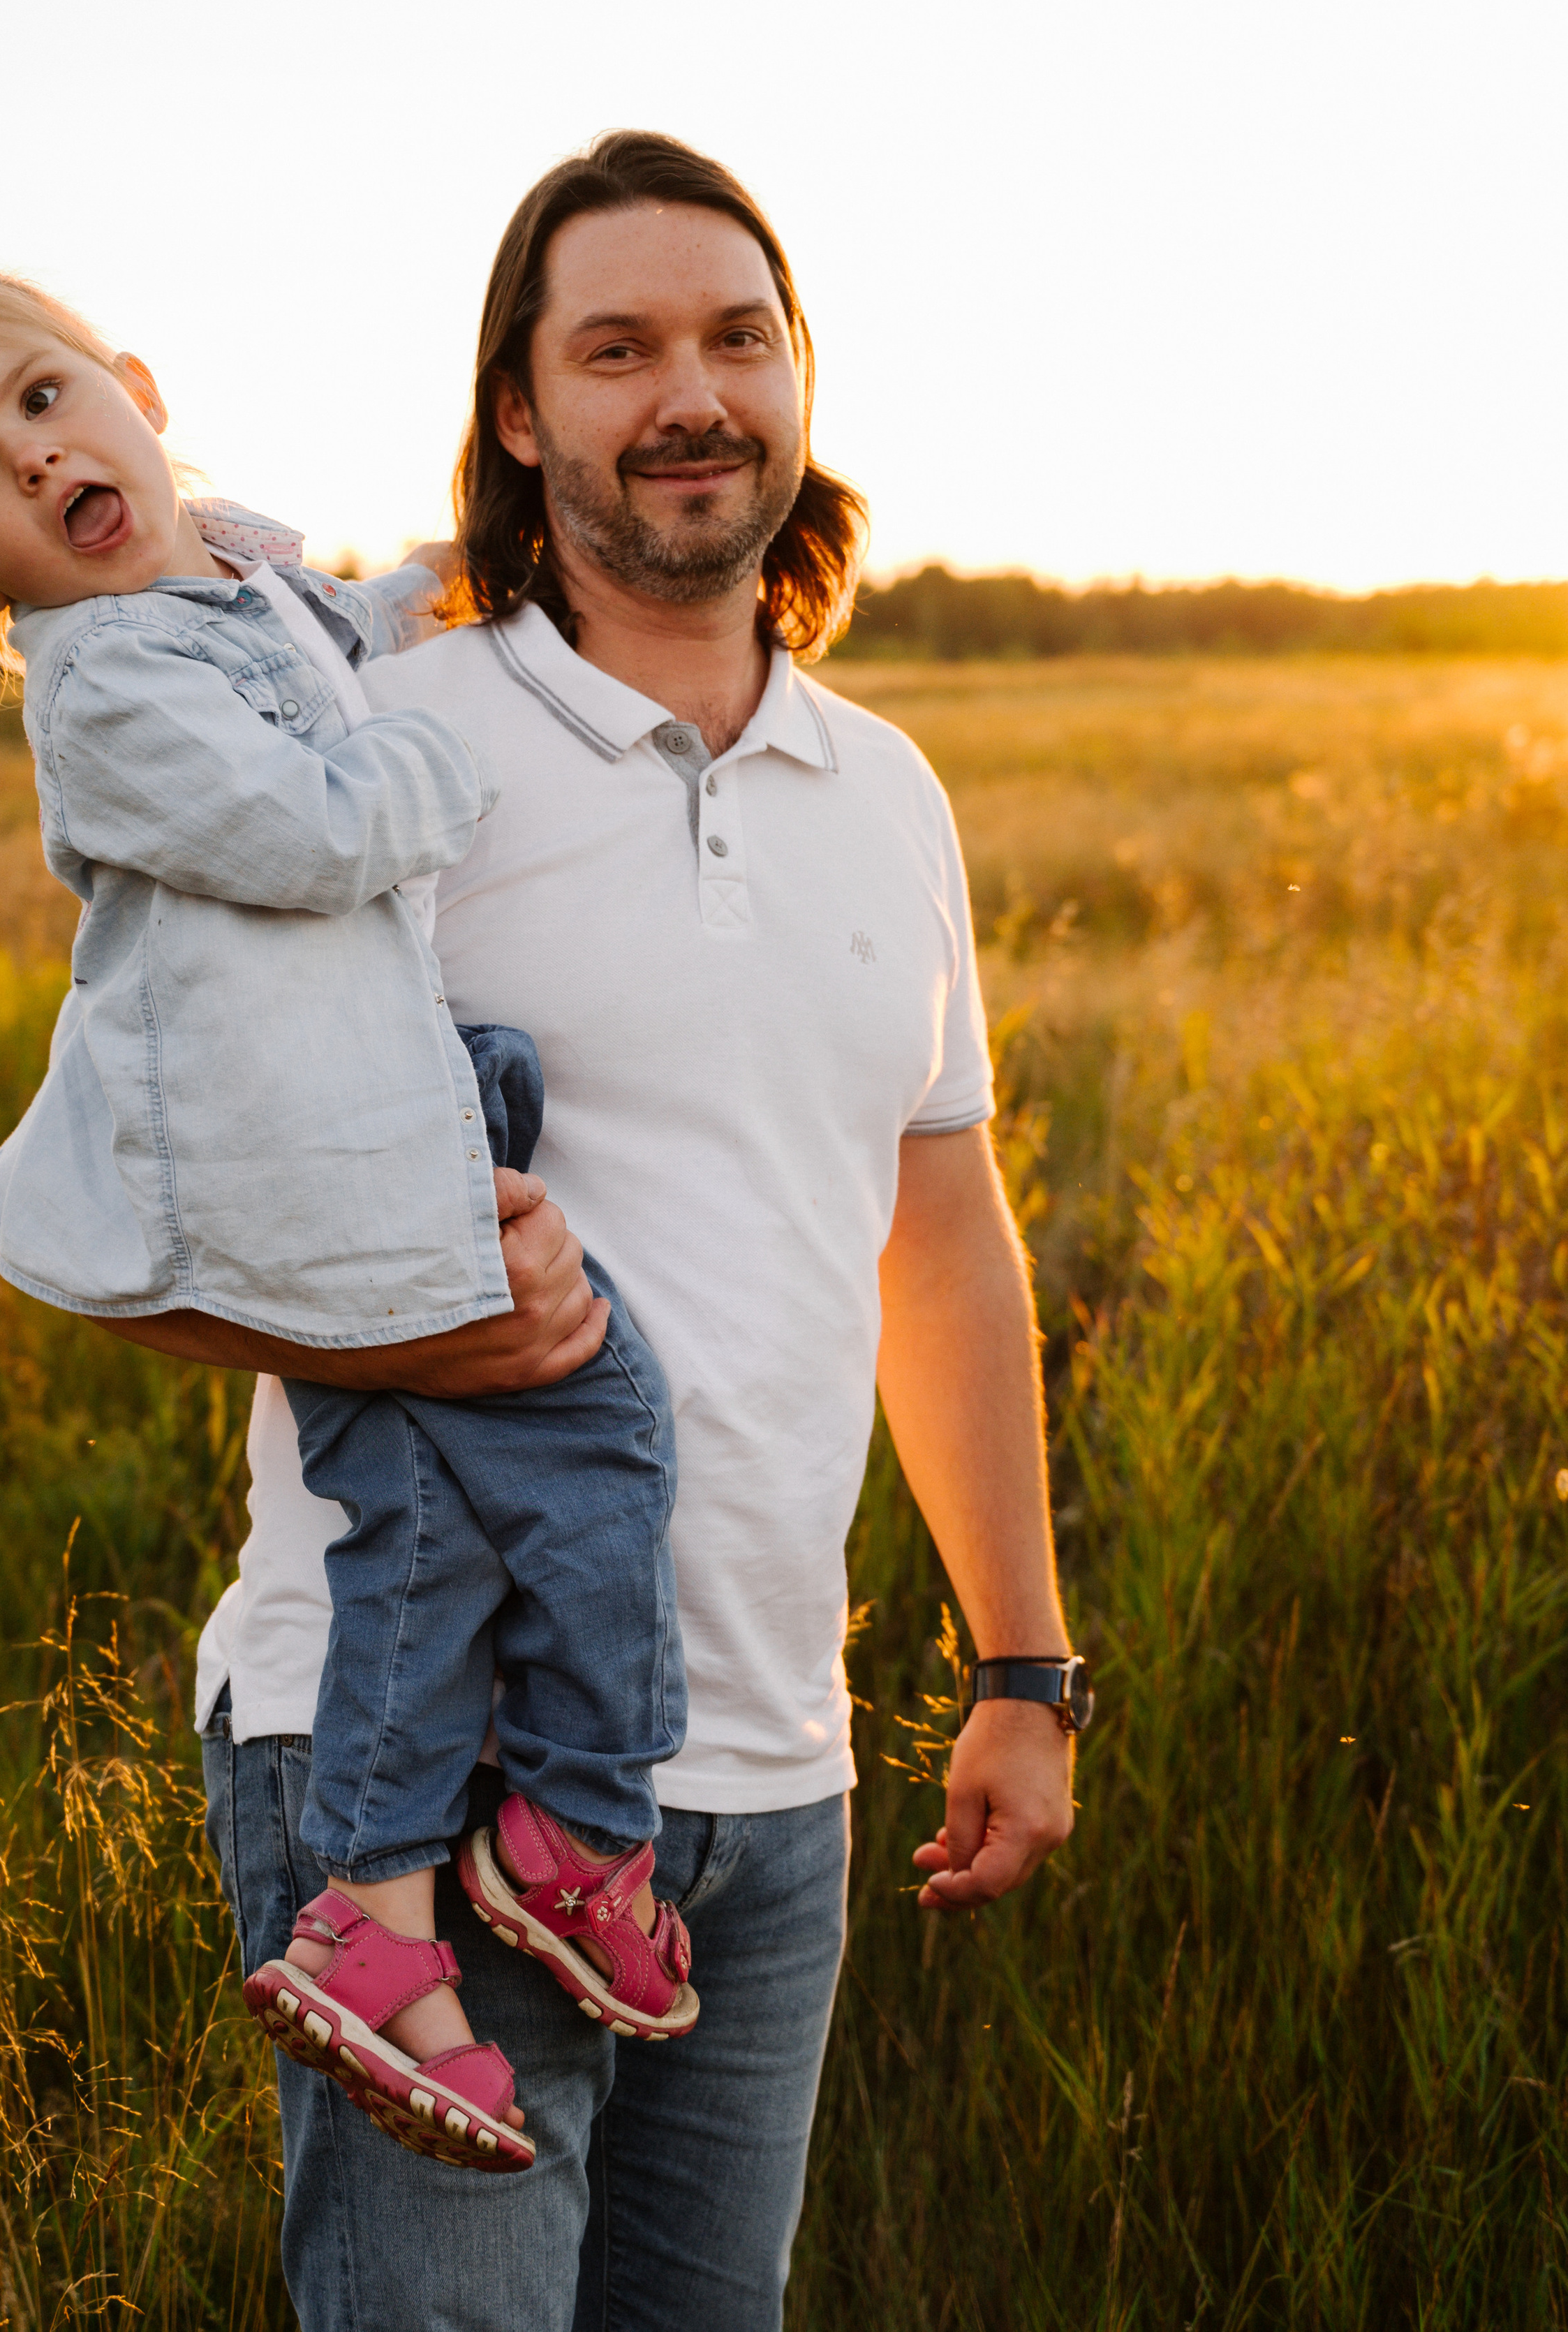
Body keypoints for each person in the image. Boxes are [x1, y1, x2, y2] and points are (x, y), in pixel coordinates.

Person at [110, 131, 1081, 2332]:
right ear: (522, 411)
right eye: (618, 346)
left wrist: (1022, 1667)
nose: (690, 394)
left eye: (738, 336)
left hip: (769, 1785)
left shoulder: (890, 789)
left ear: (801, 380)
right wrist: (441, 1330)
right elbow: (125, 1222)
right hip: (421, 1776)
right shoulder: (373, 753)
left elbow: (935, 1238)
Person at [0, 268, 706, 2178]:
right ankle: (404, 1909)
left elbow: (327, 635)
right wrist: (445, 750)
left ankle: (537, 1841)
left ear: (135, 390)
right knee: (435, 1521)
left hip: (377, 1127)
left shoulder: (222, 587)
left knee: (563, 1457)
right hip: (299, 1182)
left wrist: (427, 607)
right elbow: (314, 824)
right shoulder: (113, 683)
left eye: (47, 400)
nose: (33, 458)